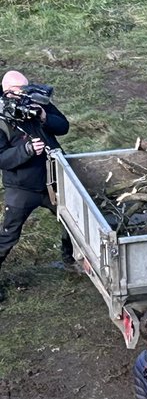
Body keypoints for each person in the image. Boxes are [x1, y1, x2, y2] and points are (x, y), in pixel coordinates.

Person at [0, 70, 73, 301]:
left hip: (52, 182)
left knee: (71, 222)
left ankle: (70, 260)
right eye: (23, 89)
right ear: (8, 92)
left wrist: (43, 116)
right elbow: (2, 158)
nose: (28, 92)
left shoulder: (36, 102)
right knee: (8, 236)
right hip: (21, 189)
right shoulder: (2, 121)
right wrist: (27, 150)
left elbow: (63, 126)